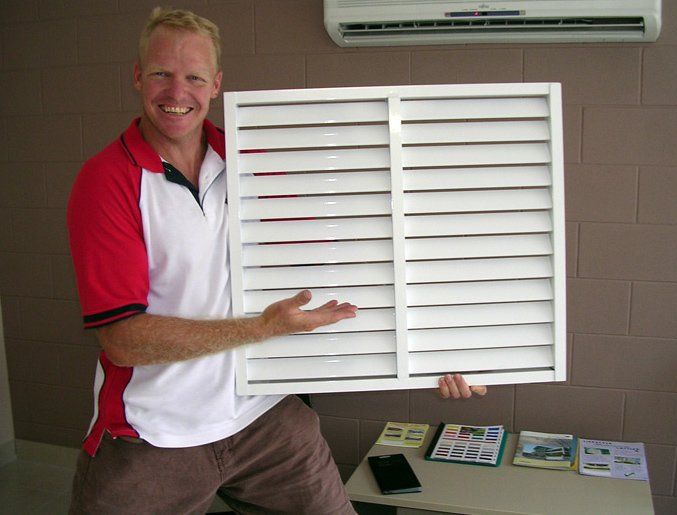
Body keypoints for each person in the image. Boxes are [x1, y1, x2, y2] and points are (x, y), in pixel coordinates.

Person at [66, 7, 486, 514]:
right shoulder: (107, 181)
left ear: (216, 84)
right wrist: (260, 329)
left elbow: (351, 262)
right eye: (161, 73)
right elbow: (122, 339)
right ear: (137, 76)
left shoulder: (252, 160)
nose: (178, 93)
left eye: (194, 77)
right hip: (154, 434)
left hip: (263, 415)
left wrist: (441, 353)